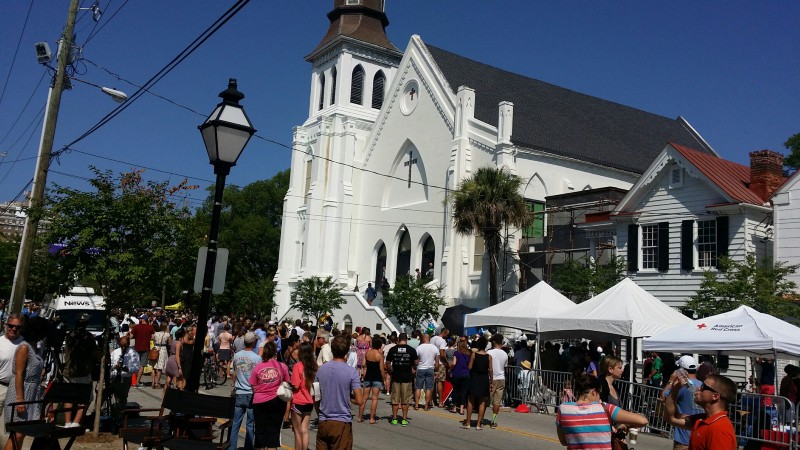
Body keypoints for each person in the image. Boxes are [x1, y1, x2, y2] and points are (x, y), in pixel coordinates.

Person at [556, 373, 648, 449]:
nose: (599, 397)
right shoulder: (605, 408)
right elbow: (643, 421)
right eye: (599, 394)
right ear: (594, 392)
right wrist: (627, 425)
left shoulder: (563, 409)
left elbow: (563, 441)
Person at [3, 316, 49, 450]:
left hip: (32, 392)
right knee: (17, 434)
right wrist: (20, 400)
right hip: (21, 392)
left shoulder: (34, 347)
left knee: (23, 433)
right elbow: (18, 374)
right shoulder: (24, 347)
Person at [314, 335, 364, 449]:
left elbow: (316, 397)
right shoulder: (351, 372)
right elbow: (360, 400)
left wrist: (320, 413)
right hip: (341, 421)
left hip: (323, 421)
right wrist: (347, 397)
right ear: (347, 351)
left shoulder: (321, 370)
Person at [664, 373, 737, 450]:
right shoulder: (703, 419)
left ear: (715, 396)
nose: (698, 388)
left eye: (703, 387)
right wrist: (675, 389)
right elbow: (671, 418)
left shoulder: (720, 430)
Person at [61, 313, 100, 427]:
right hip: (82, 372)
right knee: (85, 398)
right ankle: (76, 422)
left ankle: (67, 422)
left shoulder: (70, 335)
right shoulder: (87, 336)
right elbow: (95, 354)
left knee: (69, 397)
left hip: (69, 371)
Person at [249, 341, 290, 450]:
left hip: (260, 402)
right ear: (275, 352)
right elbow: (287, 383)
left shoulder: (258, 367)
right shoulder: (282, 366)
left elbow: (253, 385)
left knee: (259, 432)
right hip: (277, 401)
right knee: (273, 433)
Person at [662, 355, 704, 450]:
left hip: (683, 439)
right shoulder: (702, 385)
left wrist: (671, 381)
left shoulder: (681, 386)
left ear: (681, 370)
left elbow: (663, 396)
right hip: (699, 439)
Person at [230, 332, 260, 450]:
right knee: (250, 424)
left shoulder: (237, 356)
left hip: (239, 391)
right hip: (251, 393)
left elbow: (234, 373)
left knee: (236, 423)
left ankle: (232, 447)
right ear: (253, 342)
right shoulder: (257, 358)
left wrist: (234, 385)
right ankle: (248, 447)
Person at [0, 313, 23, 447]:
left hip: (17, 390)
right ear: (6, 325)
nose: (14, 329)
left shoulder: (25, 343)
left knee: (15, 428)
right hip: (1, 386)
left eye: (18, 327)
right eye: (11, 326)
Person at [386, 333, 418, 427]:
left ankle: (394, 419)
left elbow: (388, 362)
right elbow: (416, 362)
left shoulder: (393, 349)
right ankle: (404, 419)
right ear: (406, 339)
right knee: (405, 400)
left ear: (398, 339)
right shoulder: (411, 350)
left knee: (395, 399)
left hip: (396, 377)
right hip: (407, 378)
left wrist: (391, 371)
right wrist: (414, 366)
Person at [290, 342, 317, 450]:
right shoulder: (314, 366)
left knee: (297, 432)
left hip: (298, 401)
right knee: (305, 430)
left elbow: (296, 385)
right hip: (309, 401)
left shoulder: (298, 366)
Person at [462, 335, 492, 430]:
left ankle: (468, 422)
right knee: (482, 401)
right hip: (484, 378)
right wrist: (491, 380)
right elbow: (490, 370)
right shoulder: (489, 357)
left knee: (471, 400)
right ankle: (479, 424)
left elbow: (470, 367)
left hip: (474, 377)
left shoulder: (474, 354)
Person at [109, 335, 140, 418]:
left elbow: (137, 368)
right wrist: (114, 366)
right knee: (104, 396)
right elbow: (110, 364)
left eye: (125, 346)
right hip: (113, 377)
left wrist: (127, 369)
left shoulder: (133, 353)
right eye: (121, 346)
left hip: (124, 379)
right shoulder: (115, 352)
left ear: (129, 344)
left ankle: (120, 417)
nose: (123, 348)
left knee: (121, 400)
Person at [357, 336, 385, 424]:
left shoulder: (368, 353)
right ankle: (372, 418)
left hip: (368, 377)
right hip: (376, 378)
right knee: (374, 398)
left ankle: (360, 417)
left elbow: (363, 364)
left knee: (364, 398)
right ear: (380, 345)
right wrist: (383, 379)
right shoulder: (379, 355)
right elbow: (381, 369)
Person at [486, 334, 509, 429]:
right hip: (501, 378)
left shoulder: (489, 352)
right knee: (497, 402)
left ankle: (480, 419)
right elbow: (505, 368)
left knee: (485, 399)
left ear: (494, 342)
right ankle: (493, 420)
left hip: (492, 378)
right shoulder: (505, 354)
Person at [413, 333, 438, 411]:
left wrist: (414, 367)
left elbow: (415, 360)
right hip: (430, 368)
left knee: (418, 387)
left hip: (421, 368)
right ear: (429, 338)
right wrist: (436, 370)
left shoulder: (419, 347)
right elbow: (437, 361)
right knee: (428, 388)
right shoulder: (434, 348)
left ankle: (416, 404)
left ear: (423, 338)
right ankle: (426, 405)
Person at [130, 315, 154, 387]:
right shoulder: (150, 327)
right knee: (141, 365)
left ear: (142, 320)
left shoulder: (136, 327)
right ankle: (137, 382)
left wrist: (136, 336)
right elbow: (152, 337)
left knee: (135, 364)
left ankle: (133, 381)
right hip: (145, 348)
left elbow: (131, 336)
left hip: (137, 347)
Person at [449, 338, 471, 415]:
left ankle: (454, 407)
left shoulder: (456, 353)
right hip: (466, 373)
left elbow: (454, 363)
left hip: (457, 373)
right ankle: (461, 409)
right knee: (464, 392)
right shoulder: (468, 353)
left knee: (456, 390)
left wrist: (450, 368)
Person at [430, 328, 449, 408]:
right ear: (444, 333)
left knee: (431, 382)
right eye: (447, 334)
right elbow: (442, 353)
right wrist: (446, 362)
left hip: (431, 362)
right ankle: (440, 402)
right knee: (440, 382)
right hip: (440, 363)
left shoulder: (432, 339)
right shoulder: (442, 341)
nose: (447, 336)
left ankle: (431, 400)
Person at [164, 327, 184, 393]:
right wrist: (179, 367)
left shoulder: (173, 341)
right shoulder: (179, 343)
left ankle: (164, 395)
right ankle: (178, 395)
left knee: (168, 379)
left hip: (170, 358)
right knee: (179, 379)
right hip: (174, 360)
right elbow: (177, 355)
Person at [151, 323, 171, 389]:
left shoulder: (155, 333)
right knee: (159, 368)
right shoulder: (167, 335)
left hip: (156, 348)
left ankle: (153, 382)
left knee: (154, 367)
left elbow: (153, 341)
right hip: (163, 349)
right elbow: (170, 343)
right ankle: (157, 383)